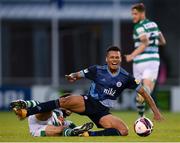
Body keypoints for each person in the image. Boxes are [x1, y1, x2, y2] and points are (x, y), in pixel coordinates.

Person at [11, 46, 163, 136]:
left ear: (120, 59)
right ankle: (27, 112)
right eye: (112, 57)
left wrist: (155, 111)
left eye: (117, 57)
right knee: (65, 101)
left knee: (123, 131)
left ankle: (87, 134)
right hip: (89, 102)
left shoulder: (126, 77)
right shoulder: (97, 70)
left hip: (102, 111)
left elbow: (144, 92)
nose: (115, 59)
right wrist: (72, 76)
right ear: (107, 59)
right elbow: (80, 74)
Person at [125, 3, 166, 117]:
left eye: (135, 14)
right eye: (132, 14)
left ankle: (140, 117)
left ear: (142, 13)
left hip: (139, 61)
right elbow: (162, 41)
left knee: (141, 91)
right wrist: (156, 44)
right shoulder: (153, 24)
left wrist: (131, 55)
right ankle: (142, 117)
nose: (133, 16)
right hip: (151, 60)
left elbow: (145, 42)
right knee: (145, 91)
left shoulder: (138, 27)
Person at [10, 99, 93, 137]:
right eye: (70, 105)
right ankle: (24, 104)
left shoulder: (67, 122)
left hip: (39, 129)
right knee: (47, 108)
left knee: (59, 130)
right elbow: (41, 104)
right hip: (38, 118)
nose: (71, 108)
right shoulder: (56, 110)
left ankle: (73, 133)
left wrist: (83, 131)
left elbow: (76, 127)